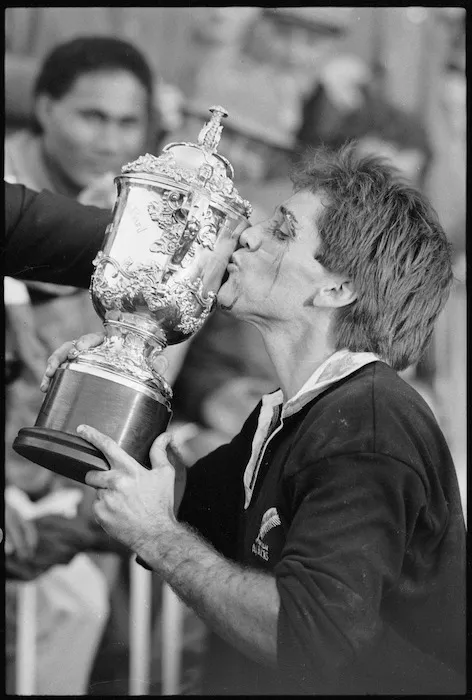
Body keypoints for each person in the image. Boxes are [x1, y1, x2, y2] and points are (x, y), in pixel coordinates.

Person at [45, 143, 466, 695]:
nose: (248, 235)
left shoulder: (369, 426)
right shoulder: (299, 408)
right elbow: (182, 506)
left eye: (284, 231)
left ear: (337, 288)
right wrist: (110, 375)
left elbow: (306, 637)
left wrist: (158, 537)